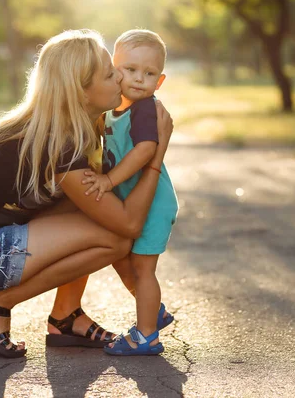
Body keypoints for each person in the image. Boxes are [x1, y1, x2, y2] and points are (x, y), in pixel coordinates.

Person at [0, 29, 174, 358]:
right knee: (114, 238)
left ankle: (66, 316)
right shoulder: (62, 142)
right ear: (81, 91)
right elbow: (128, 225)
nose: (119, 77)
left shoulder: (65, 124)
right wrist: (155, 156)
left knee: (93, 211)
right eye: (109, 73)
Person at [80, 30, 177, 356]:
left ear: (159, 81)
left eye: (149, 74)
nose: (139, 79)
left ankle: (147, 335)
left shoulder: (145, 109)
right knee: (122, 257)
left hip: (153, 203)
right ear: (113, 70)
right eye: (130, 70)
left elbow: (146, 149)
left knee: (143, 270)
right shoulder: (114, 110)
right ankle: (154, 312)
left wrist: (108, 182)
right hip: (133, 200)